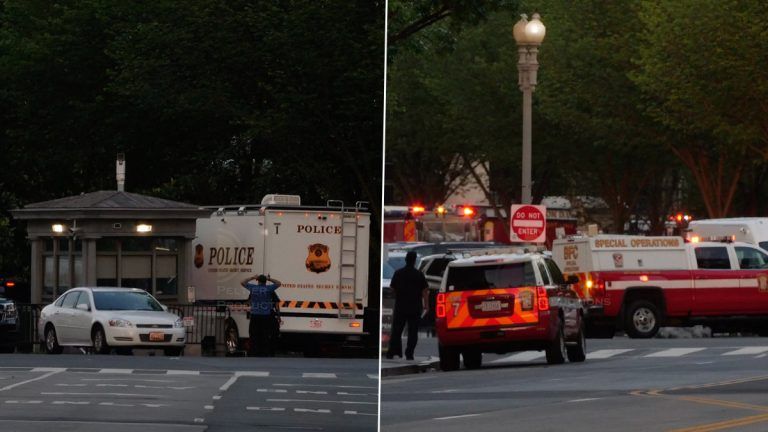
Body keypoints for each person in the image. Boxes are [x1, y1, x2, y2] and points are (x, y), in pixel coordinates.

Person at [387, 251, 428, 360]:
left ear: (406, 260)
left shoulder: (398, 273)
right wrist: (426, 306)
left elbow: (392, 288)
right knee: (412, 332)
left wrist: (399, 294)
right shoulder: (419, 274)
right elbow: (425, 291)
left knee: (397, 330)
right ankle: (409, 353)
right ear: (414, 261)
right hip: (415, 307)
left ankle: (392, 352)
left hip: (401, 306)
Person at [241, 274, 282, 357]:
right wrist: (269, 279)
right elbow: (278, 283)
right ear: (265, 281)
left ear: (258, 281)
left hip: (255, 315)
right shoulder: (269, 289)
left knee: (253, 334)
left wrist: (252, 277)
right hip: (265, 315)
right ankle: (264, 352)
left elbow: (242, 282)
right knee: (265, 334)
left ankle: (254, 352)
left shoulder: (253, 288)